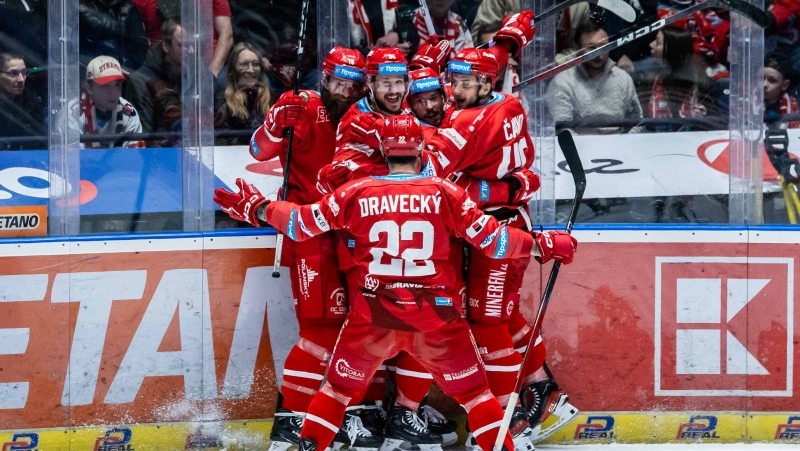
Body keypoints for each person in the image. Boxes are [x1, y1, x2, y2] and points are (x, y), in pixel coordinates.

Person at [213, 114, 579, 451]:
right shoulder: (445, 193)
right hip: (436, 321)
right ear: (421, 148)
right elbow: (496, 241)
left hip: (373, 317)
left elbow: (301, 224)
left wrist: (257, 208)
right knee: (478, 398)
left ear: (384, 151)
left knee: (336, 391)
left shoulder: (357, 192)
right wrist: (543, 245)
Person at [424, 16, 576, 445]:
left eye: (465, 82)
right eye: (453, 79)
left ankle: (505, 421)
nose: (455, 89)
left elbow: (425, 174)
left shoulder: (467, 123)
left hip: (498, 232)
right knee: (502, 314)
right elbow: (495, 57)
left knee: (488, 322)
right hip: (502, 220)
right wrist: (507, 38)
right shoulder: (506, 100)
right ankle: (544, 389)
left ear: (486, 84)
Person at [247, 46, 375, 451]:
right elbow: (257, 151)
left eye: (353, 85)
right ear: (324, 78)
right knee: (320, 331)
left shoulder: (367, 114)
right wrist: (272, 125)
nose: (345, 91)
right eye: (338, 82)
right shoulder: (300, 105)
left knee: (364, 328)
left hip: (358, 237)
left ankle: (345, 414)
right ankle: (290, 420)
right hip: (311, 234)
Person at [546, 18, 644, 134]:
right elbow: (562, 129)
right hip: (580, 148)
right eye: (591, 48)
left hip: (619, 146)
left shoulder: (623, 78)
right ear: (578, 49)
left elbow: (638, 122)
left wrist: (625, 143)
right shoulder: (562, 82)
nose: (598, 54)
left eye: (603, 47)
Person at [60, 55, 145, 149]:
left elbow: (133, 159)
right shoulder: (72, 114)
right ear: (89, 87)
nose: (113, 93)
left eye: (117, 85)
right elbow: (72, 160)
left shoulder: (129, 112)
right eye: (105, 86)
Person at [133, 0, 234, 77]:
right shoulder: (142, 2)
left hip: (207, 65)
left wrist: (211, 74)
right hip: (163, 69)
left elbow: (226, 35)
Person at [638, 26, 711, 132]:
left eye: (658, 43)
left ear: (672, 49)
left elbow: (712, 123)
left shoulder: (702, 84)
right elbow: (639, 120)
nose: (651, 44)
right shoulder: (648, 80)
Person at [125, 18, 183, 144]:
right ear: (166, 46)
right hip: (161, 157)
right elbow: (145, 139)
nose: (191, 51)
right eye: (182, 45)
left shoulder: (201, 78)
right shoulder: (140, 82)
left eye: (194, 45)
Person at [214, 42, 271, 145]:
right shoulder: (222, 102)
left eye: (255, 64)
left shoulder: (273, 101)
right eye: (244, 64)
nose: (251, 70)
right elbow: (220, 141)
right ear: (232, 70)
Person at [79, 0, 149, 72]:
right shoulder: (80, 9)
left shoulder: (127, 7)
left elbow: (139, 44)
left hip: (127, 66)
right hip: (99, 66)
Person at [0, 52, 46, 150]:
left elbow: (39, 144)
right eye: (13, 73)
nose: (21, 79)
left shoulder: (33, 104)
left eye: (24, 72)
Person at [764, 51, 800, 129]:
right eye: (761, 78)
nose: (764, 84)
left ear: (784, 85)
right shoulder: (747, 103)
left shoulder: (794, 106)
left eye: (772, 80)